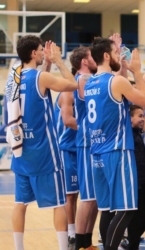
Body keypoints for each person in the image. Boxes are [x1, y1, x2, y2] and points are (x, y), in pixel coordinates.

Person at [8, 36, 78, 250]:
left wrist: (46, 63)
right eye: (40, 50)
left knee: (20, 204)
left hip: (21, 151)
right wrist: (58, 61)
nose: (42, 52)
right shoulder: (41, 78)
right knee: (58, 204)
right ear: (32, 53)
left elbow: (38, 87)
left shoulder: (14, 78)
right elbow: (73, 84)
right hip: (44, 152)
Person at [84, 36, 145, 250]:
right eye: (115, 53)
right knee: (128, 209)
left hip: (97, 154)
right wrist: (137, 71)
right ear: (105, 55)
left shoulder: (90, 83)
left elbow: (116, 93)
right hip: (117, 152)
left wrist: (121, 63)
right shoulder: (117, 82)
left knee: (108, 209)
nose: (118, 57)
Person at [69, 46, 99, 250]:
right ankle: (79, 243)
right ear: (84, 62)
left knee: (95, 199)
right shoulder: (81, 79)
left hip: (97, 142)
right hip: (87, 143)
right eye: (92, 56)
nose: (96, 58)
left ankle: (87, 242)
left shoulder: (93, 79)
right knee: (87, 198)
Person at [119, 105, 145, 250]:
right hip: (135, 181)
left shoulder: (137, 133)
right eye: (139, 116)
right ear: (129, 118)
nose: (143, 119)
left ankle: (130, 242)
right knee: (139, 215)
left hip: (142, 179)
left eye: (143, 116)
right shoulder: (128, 134)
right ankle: (130, 243)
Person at [54, 89, 79, 250]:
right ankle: (70, 234)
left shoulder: (85, 92)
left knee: (76, 196)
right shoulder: (67, 93)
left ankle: (75, 231)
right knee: (69, 196)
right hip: (65, 150)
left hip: (78, 149)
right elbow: (67, 121)